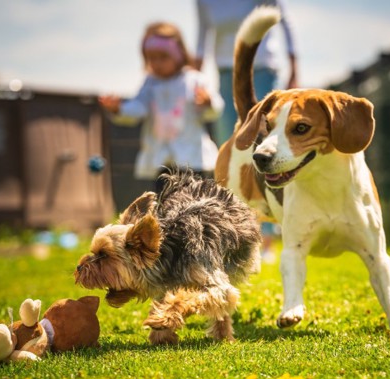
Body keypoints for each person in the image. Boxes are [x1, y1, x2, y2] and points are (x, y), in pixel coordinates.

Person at [195, 0, 297, 264]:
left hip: (265, 67)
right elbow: (201, 36)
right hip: (223, 72)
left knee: (267, 147)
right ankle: (236, 235)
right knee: (232, 148)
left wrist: (294, 66)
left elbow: (284, 23)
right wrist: (191, 83)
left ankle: (269, 237)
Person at [99, 21, 224, 194]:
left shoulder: (194, 80)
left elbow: (215, 111)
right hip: (162, 162)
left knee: (196, 205)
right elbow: (138, 108)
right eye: (151, 58)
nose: (157, 63)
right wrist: (119, 109)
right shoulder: (150, 84)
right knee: (164, 205)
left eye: (163, 57)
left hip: (193, 160)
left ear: (179, 53)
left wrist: (208, 103)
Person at [194, 0, 298, 146]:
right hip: (226, 74)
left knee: (266, 136)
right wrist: (192, 81)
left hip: (262, 70)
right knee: (228, 140)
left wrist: (294, 71)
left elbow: (285, 22)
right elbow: (201, 39)